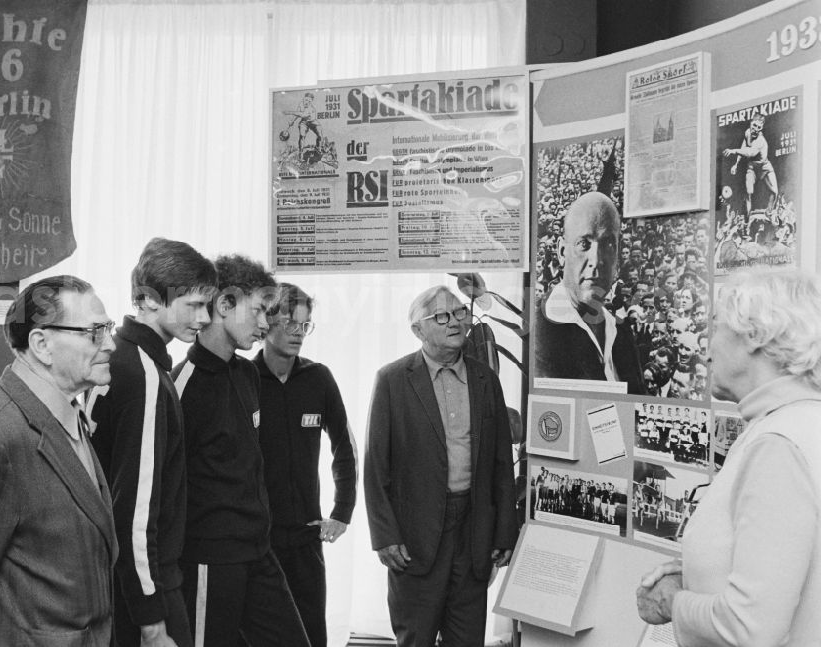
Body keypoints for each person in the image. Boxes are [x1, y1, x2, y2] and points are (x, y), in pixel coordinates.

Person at [0, 276, 118, 646]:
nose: (110, 344)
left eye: (108, 328)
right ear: (42, 344)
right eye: (94, 332)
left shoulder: (67, 412)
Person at [636, 270, 821, 645]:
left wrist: (675, 601)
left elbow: (750, 629)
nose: (706, 350)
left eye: (717, 327)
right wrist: (700, 576)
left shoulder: (778, 445)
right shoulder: (789, 424)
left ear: (755, 334)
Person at [365, 285, 518, 647]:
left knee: (466, 640)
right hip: (415, 538)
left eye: (459, 313)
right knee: (415, 638)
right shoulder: (393, 380)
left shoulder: (486, 380)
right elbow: (375, 466)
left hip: (473, 533)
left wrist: (504, 532)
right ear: (418, 330)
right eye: (441, 316)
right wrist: (385, 536)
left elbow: (500, 463)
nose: (455, 322)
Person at [171, 255, 309, 647]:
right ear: (225, 305)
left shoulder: (248, 374)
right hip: (209, 558)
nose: (267, 325)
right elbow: (166, 487)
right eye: (260, 312)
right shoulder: (183, 385)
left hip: (258, 551)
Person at [88, 238, 217, 647]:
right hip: (139, 585)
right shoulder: (141, 374)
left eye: (207, 305)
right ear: (148, 300)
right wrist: (151, 618)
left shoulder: (123, 356)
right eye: (194, 305)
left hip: (116, 575)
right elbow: (134, 508)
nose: (204, 317)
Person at [254, 283, 358, 647]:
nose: (299, 333)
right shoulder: (244, 379)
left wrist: (341, 512)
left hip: (305, 534)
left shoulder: (318, 378)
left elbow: (344, 447)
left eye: (305, 324)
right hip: (257, 539)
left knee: (310, 634)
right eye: (289, 323)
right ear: (266, 322)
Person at [534, 192, 644, 393]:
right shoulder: (538, 333)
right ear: (562, 252)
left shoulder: (622, 333)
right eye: (584, 244)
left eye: (608, 244)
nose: (597, 260)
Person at [723, 114, 778, 217]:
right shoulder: (747, 133)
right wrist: (736, 164)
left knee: (775, 192)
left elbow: (750, 153)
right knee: (749, 192)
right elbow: (743, 147)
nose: (756, 129)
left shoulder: (760, 141)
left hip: (764, 167)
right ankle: (747, 219)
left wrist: (733, 151)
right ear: (750, 123)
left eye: (759, 127)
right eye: (754, 125)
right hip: (752, 167)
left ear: (761, 128)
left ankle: (769, 212)